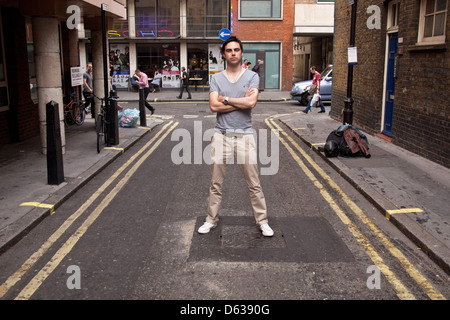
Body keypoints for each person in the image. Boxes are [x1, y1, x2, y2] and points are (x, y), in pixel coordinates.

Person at [197, 36, 274, 237]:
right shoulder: (216, 78)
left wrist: (227, 99)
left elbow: (251, 104)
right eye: (229, 50)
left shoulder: (251, 77)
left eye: (236, 50)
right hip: (221, 136)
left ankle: (262, 221)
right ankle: (211, 219)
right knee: (216, 183)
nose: (233, 53)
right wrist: (240, 100)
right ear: (223, 54)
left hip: (244, 136)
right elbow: (214, 106)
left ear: (241, 53)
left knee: (254, 182)